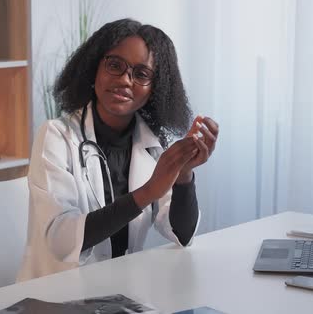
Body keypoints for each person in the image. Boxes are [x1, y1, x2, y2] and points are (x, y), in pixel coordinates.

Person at [17, 18, 219, 281]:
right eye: (115, 65)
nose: (125, 80)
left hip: (119, 292)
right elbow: (61, 240)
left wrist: (184, 175)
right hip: (58, 295)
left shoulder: (152, 144)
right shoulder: (56, 136)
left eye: (141, 74)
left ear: (154, 90)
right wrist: (148, 192)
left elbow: (181, 234)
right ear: (94, 69)